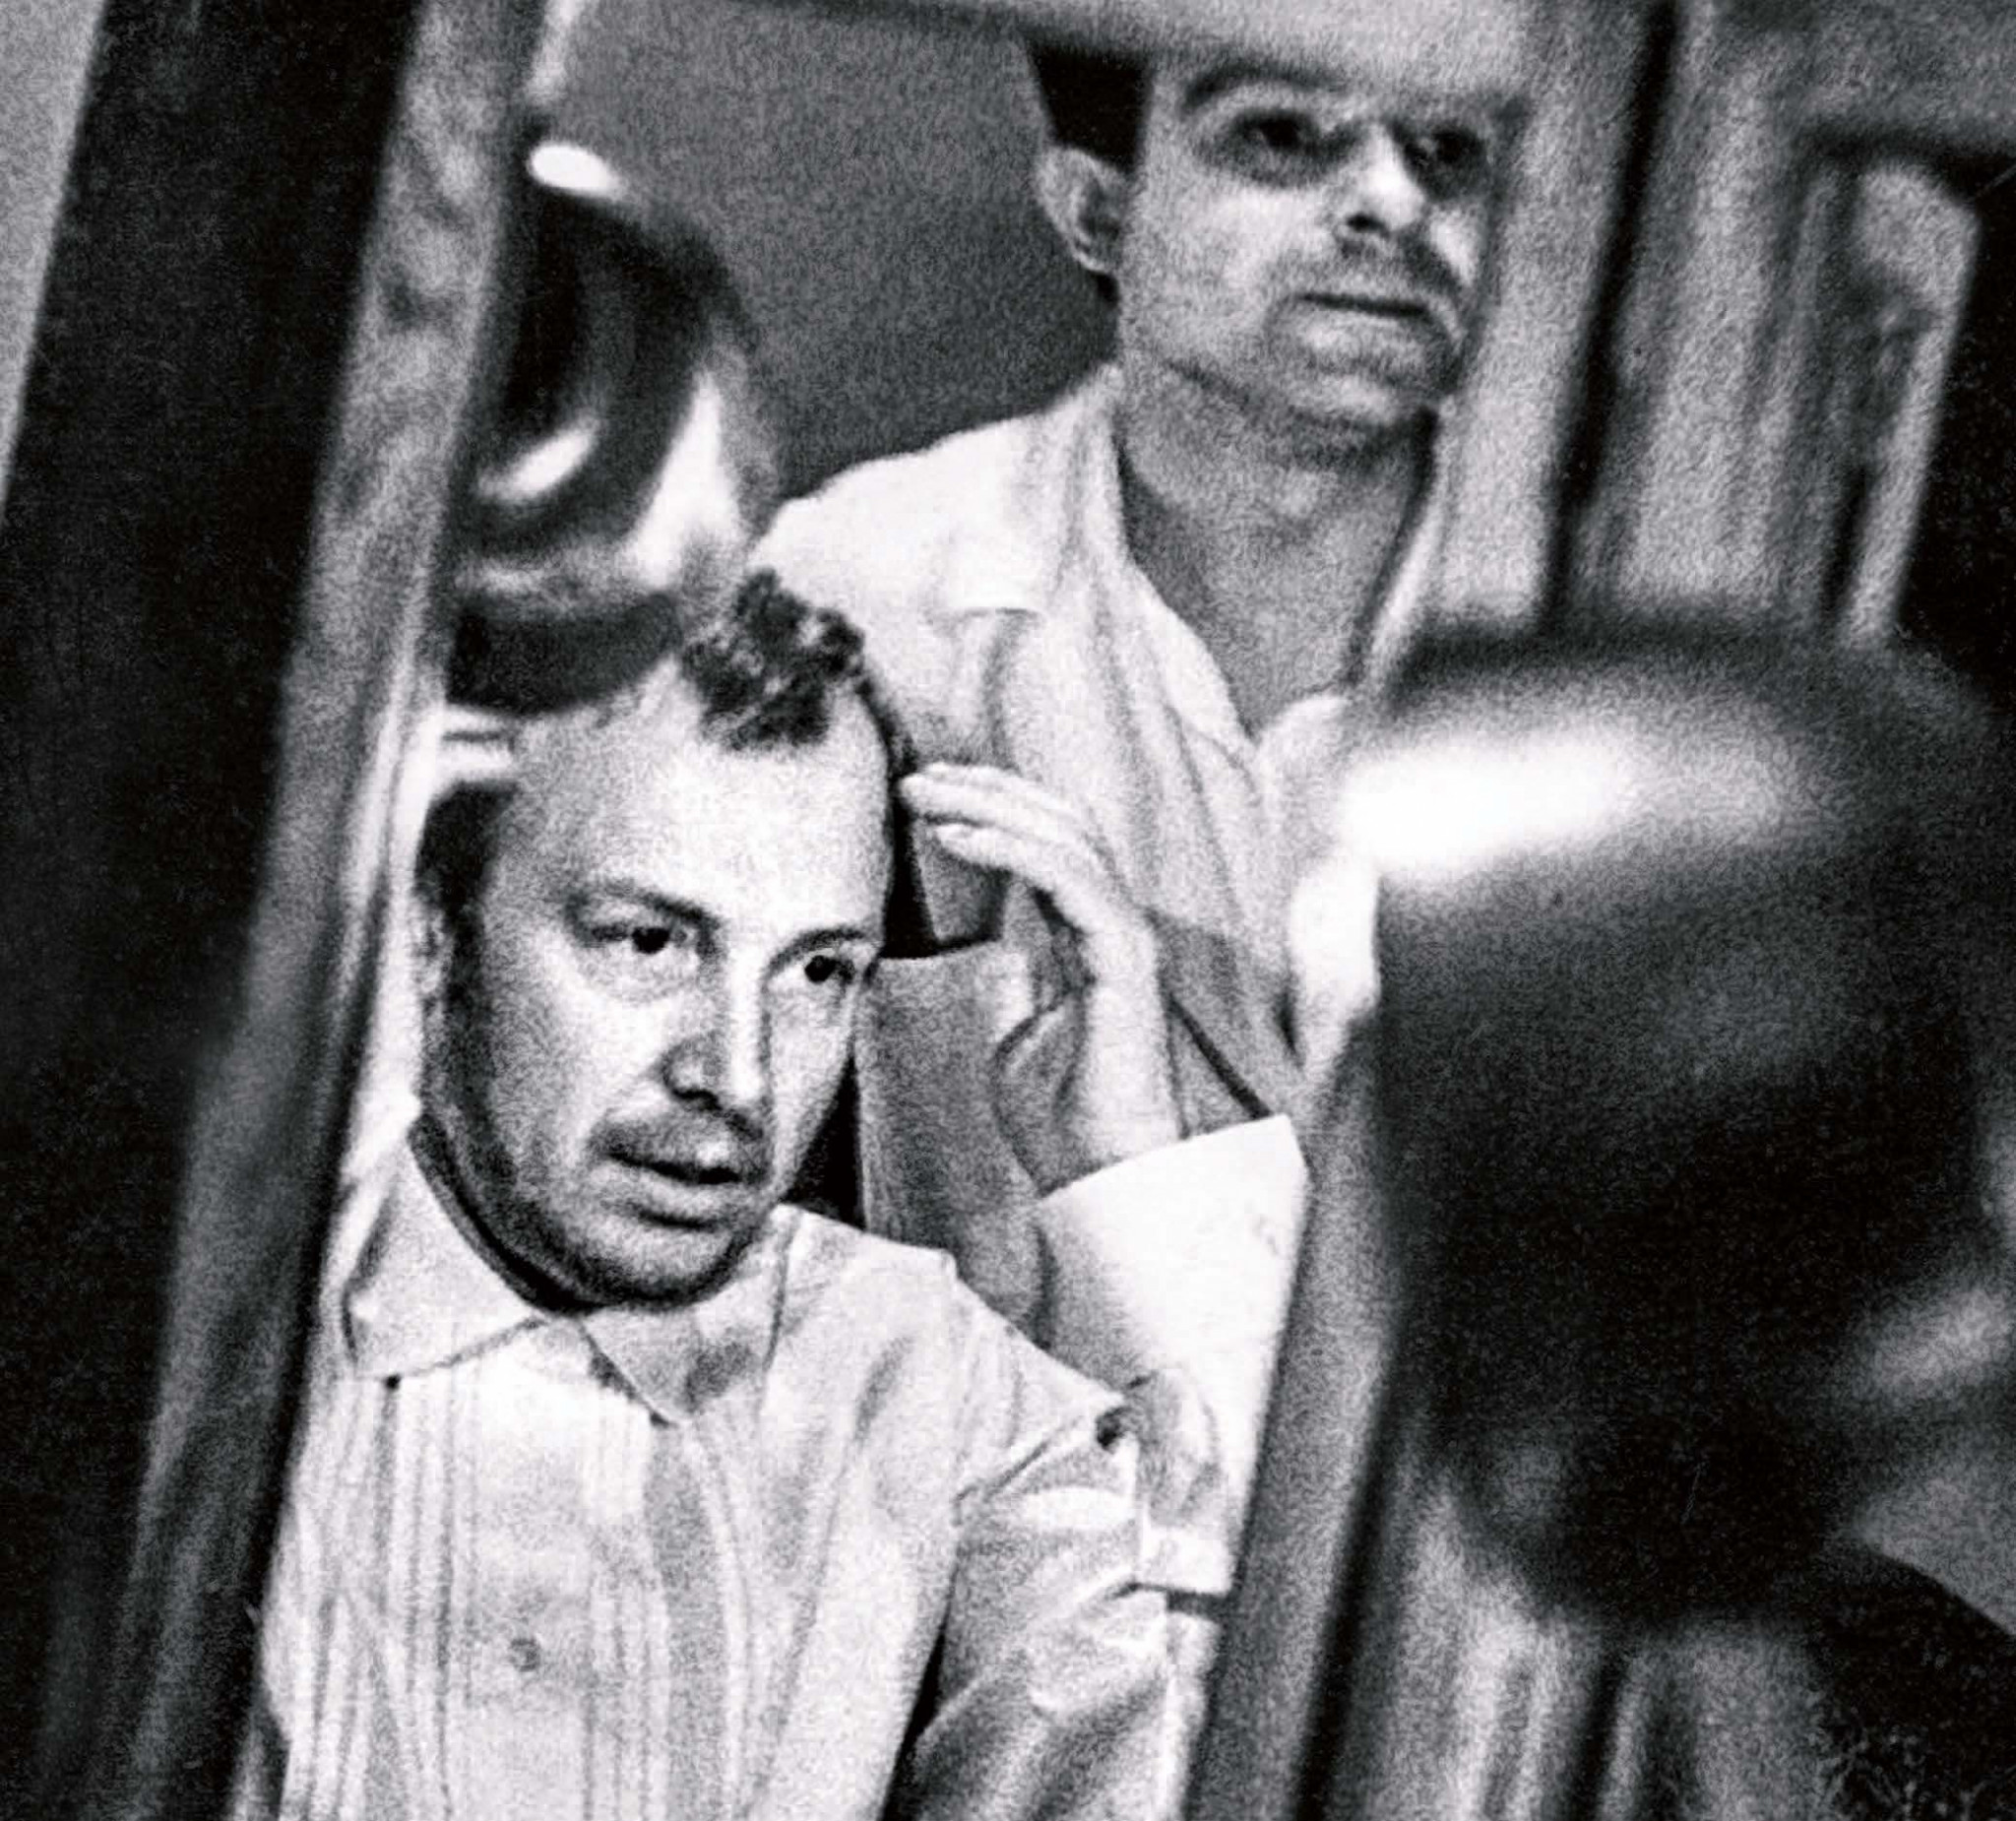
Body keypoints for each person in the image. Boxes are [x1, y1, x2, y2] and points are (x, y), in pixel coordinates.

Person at [231, 574, 1278, 1821]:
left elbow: (1232, 1762)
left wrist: (1125, 1170)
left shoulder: (925, 1379)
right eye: (649, 942)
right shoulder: (183, 1349)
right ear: (429, 926)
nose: (739, 1075)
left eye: (816, 971)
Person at [757, 39, 1497, 1323]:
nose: (1392, 200)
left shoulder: (1622, 630)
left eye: (1447, 150)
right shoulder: (856, 598)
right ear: (1098, 211)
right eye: (1281, 134)